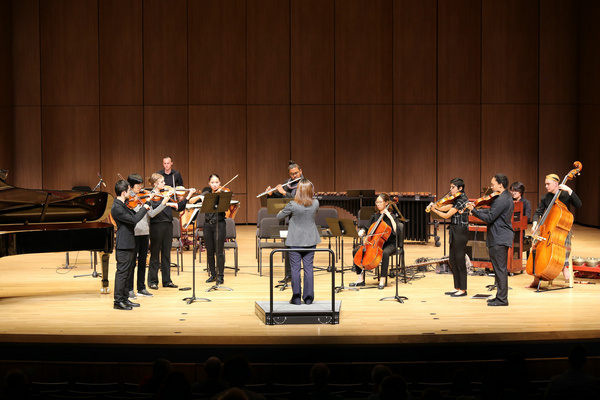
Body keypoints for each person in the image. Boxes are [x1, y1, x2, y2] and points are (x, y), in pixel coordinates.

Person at [526, 173, 582, 288]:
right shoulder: (545, 197)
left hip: (562, 227)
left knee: (565, 239)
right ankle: (536, 278)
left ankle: (564, 266)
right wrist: (535, 224)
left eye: (548, 184)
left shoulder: (565, 195)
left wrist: (570, 190)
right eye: (545, 184)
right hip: (549, 227)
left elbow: (579, 204)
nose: (546, 186)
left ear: (556, 184)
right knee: (536, 244)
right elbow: (538, 212)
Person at [467, 173, 514, 307]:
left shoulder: (501, 199)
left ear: (500, 184)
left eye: (493, 184)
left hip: (500, 237)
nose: (491, 187)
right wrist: (475, 210)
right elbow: (491, 213)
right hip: (499, 236)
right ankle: (499, 297)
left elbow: (490, 217)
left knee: (500, 270)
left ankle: (502, 299)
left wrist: (474, 211)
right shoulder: (504, 197)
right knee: (499, 269)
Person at [276, 179, 321, 305]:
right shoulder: (316, 203)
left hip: (295, 240)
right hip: (310, 240)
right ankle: (308, 298)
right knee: (308, 268)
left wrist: (283, 211)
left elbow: (279, 216)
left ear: (298, 191)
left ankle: (296, 298)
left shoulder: (292, 204)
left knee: (295, 269)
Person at [126, 173, 170, 299]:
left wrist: (163, 203)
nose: (140, 188)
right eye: (137, 186)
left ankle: (141, 288)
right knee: (131, 264)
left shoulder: (145, 197)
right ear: (131, 186)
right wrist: (144, 203)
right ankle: (129, 289)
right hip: (134, 233)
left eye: (141, 185)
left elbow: (152, 214)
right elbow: (134, 215)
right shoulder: (129, 199)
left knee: (142, 263)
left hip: (145, 233)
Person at [147, 173, 194, 289]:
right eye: (162, 182)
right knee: (154, 255)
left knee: (166, 254)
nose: (165, 184)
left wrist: (188, 196)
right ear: (155, 184)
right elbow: (152, 214)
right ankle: (153, 281)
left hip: (168, 225)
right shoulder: (151, 197)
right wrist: (165, 201)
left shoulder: (166, 194)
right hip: (156, 226)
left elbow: (179, 207)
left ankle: (167, 280)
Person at [110, 179, 150, 310]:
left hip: (129, 243)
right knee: (122, 273)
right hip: (124, 244)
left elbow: (133, 213)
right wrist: (145, 207)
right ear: (123, 192)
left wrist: (144, 202)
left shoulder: (123, 205)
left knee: (127, 272)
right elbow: (134, 220)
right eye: (129, 190)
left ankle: (125, 298)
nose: (131, 192)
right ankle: (118, 301)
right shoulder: (116, 207)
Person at [350, 193, 402, 290]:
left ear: (386, 203)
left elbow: (397, 231)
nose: (378, 204)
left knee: (385, 253)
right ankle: (360, 279)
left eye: (380, 202)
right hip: (375, 243)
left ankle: (382, 279)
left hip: (389, 243)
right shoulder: (375, 216)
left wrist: (390, 217)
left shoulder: (392, 216)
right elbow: (367, 228)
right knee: (356, 251)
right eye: (376, 202)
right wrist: (363, 231)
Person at [430, 178, 470, 297]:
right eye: (450, 187)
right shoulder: (457, 198)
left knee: (459, 260)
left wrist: (435, 211)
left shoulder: (462, 199)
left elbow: (447, 215)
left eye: (453, 187)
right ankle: (457, 287)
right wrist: (436, 207)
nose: (450, 189)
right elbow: (446, 207)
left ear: (460, 188)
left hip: (460, 231)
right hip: (454, 230)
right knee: (453, 259)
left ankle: (463, 289)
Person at [265, 161, 304, 284]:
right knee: (287, 249)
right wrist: (271, 194)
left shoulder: (305, 184)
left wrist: (283, 192)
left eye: (296, 173)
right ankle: (288, 276)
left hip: (298, 222)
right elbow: (281, 199)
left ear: (300, 171)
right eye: (292, 174)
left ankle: (296, 277)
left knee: (295, 250)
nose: (294, 176)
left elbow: (300, 201)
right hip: (287, 221)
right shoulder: (289, 183)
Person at [202, 174, 229, 285]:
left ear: (220, 183)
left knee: (219, 252)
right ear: (209, 183)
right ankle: (213, 274)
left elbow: (229, 200)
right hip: (208, 225)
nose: (214, 184)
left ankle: (220, 276)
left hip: (220, 225)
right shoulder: (206, 194)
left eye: (217, 182)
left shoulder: (223, 194)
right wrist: (199, 197)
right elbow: (193, 200)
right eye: (212, 182)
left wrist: (225, 194)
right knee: (209, 252)